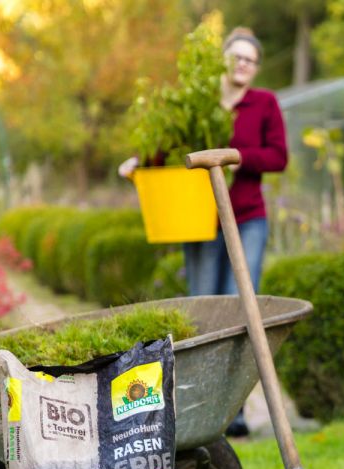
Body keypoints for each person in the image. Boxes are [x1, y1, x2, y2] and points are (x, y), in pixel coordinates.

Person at [120, 26, 287, 436]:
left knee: (240, 309)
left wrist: (232, 158)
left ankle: (238, 412)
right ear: (224, 62)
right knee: (202, 311)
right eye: (237, 57)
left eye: (251, 59)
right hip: (197, 220)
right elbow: (170, 146)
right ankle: (201, 409)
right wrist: (139, 164)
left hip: (246, 217)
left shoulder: (263, 103)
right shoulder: (198, 103)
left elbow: (278, 156)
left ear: (256, 67)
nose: (244, 65)